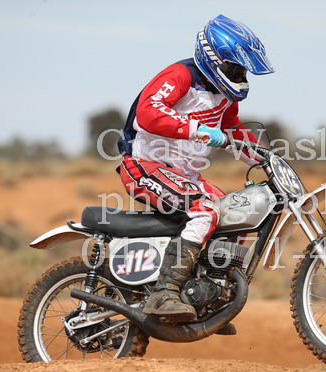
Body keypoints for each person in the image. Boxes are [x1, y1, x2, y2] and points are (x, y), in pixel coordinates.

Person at [117, 15, 274, 322]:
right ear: (215, 59)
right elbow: (148, 111)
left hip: (183, 176)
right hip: (144, 167)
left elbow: (233, 130)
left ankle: (208, 295)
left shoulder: (225, 97)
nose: (241, 77)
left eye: (243, 72)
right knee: (205, 210)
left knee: (235, 212)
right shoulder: (181, 75)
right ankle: (164, 293)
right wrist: (197, 130)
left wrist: (265, 158)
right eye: (236, 70)